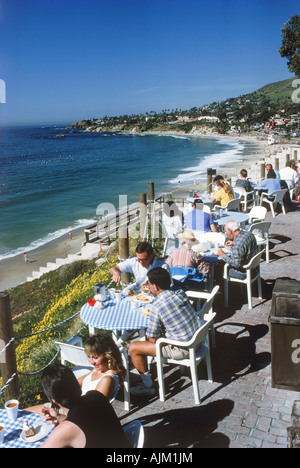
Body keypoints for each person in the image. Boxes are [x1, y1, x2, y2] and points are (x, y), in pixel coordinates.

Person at [129, 267, 200, 396]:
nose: (148, 286)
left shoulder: (157, 306)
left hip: (182, 349)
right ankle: (145, 367)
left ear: (155, 287)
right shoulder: (179, 291)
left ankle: (147, 386)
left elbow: (152, 339)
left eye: (149, 284)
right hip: (197, 339)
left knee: (134, 347)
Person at [37, 364, 130, 448]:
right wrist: (59, 418)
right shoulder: (96, 395)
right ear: (76, 384)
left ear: (51, 399)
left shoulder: (66, 430)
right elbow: (88, 425)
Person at [78, 332, 126, 401]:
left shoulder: (107, 379)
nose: (91, 362)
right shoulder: (97, 369)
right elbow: (75, 383)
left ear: (108, 356)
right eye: (89, 356)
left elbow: (92, 406)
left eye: (95, 357)